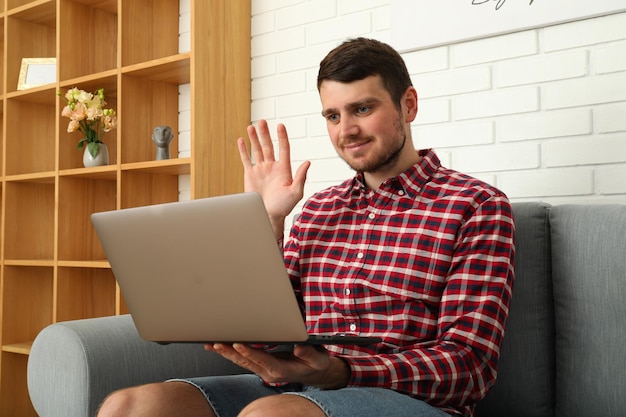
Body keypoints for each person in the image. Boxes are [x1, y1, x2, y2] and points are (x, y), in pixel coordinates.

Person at [97, 37, 515, 417]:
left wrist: (340, 371)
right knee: (129, 407)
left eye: (362, 109)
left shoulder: (475, 205)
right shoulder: (317, 209)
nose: (345, 130)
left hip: (408, 401)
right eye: (332, 115)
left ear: (408, 105)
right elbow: (267, 336)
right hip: (299, 389)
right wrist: (266, 222)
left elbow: (469, 365)